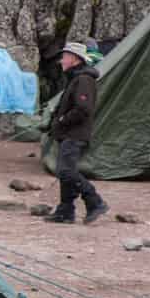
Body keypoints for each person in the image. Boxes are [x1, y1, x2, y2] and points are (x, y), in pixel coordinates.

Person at [48, 42, 109, 225]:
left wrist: (62, 121)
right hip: (69, 133)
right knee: (66, 171)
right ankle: (65, 211)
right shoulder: (75, 78)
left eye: (65, 57)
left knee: (66, 171)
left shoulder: (83, 80)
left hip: (75, 134)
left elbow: (83, 109)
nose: (61, 61)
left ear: (75, 59)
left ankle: (95, 201)